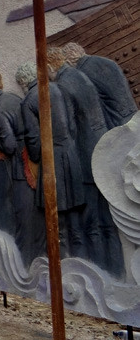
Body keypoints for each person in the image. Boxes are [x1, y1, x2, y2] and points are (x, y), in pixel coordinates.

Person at [47, 47, 124, 277]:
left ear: (50, 66)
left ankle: (100, 273)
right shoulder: (80, 76)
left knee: (91, 223)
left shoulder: (62, 86)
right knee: (107, 222)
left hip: (84, 157)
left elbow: (68, 129)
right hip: (100, 150)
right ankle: (116, 271)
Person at [15, 61, 86, 261]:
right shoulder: (57, 88)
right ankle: (81, 262)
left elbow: (33, 138)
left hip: (51, 161)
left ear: (23, 81)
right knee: (75, 220)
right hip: (70, 154)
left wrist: (36, 158)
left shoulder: (29, 100)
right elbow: (72, 123)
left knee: (57, 223)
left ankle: (63, 266)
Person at [0, 71, 45, 266]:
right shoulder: (13, 97)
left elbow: (9, 146)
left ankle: (24, 263)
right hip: (35, 160)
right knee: (37, 215)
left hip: (21, 165)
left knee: (23, 216)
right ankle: (39, 257)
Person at [62, 42, 137, 129]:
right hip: (132, 113)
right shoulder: (106, 61)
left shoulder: (82, 75)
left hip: (116, 123)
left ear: (68, 61)